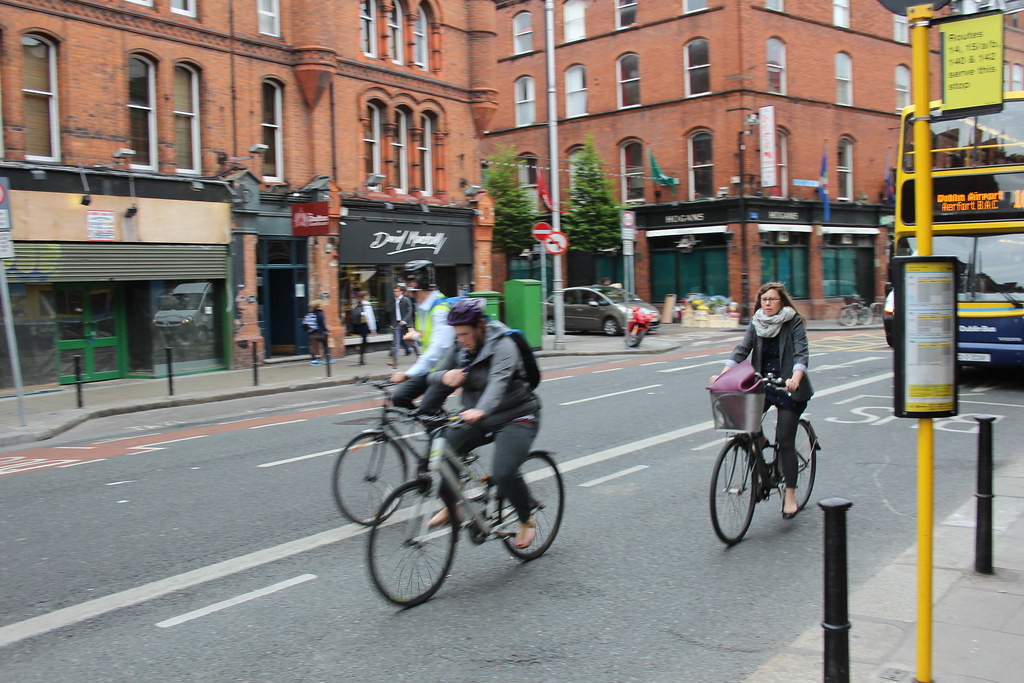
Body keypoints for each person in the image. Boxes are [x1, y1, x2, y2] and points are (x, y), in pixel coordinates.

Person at [426, 298, 542, 549]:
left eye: (466, 334)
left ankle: (526, 518)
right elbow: (435, 374)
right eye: (457, 335)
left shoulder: (504, 345)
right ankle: (452, 505)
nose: (461, 340)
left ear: (481, 326)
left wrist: (481, 409)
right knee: (441, 448)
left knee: (503, 471)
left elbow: (498, 383)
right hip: (479, 416)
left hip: (517, 415)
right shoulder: (460, 349)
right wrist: (445, 376)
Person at [710, 281, 814, 519]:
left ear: (781, 302)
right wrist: (723, 374)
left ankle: (790, 495)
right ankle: (761, 448)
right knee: (744, 422)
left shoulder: (793, 321)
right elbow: (741, 349)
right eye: (764, 300)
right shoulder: (757, 322)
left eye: (772, 300)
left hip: (788, 387)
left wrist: (795, 378)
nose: (767, 304)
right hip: (763, 384)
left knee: (785, 441)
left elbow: (801, 354)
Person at [390, 260, 457, 415]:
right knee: (399, 397)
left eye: (411, 291)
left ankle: (442, 430)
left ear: (418, 287)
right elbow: (430, 334)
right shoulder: (423, 308)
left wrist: (408, 373)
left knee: (427, 408)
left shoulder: (440, 310)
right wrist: (417, 336)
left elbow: (439, 346)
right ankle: (433, 421)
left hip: (444, 370)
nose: (410, 294)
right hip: (429, 368)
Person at [387, 285, 416, 367]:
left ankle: (419, 356)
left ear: (401, 292)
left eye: (396, 291)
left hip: (407, 324)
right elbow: (392, 314)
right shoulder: (393, 301)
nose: (395, 293)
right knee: (396, 343)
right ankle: (395, 361)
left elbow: (409, 311)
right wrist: (392, 324)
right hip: (397, 324)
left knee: (412, 341)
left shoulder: (406, 300)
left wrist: (405, 320)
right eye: (394, 291)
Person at [350, 292, 377, 365]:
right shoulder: (367, 304)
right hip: (364, 325)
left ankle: (359, 352)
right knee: (364, 341)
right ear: (365, 296)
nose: (368, 297)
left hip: (356, 325)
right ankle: (361, 358)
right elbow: (370, 318)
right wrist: (373, 329)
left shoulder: (355, 304)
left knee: (363, 341)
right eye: (368, 296)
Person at [304, 300, 329, 365]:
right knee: (325, 344)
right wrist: (325, 330)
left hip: (312, 333)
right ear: (318, 306)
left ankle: (313, 360)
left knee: (311, 346)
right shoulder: (320, 313)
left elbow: (304, 324)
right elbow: (322, 323)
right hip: (320, 333)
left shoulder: (308, 314)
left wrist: (309, 330)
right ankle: (326, 359)